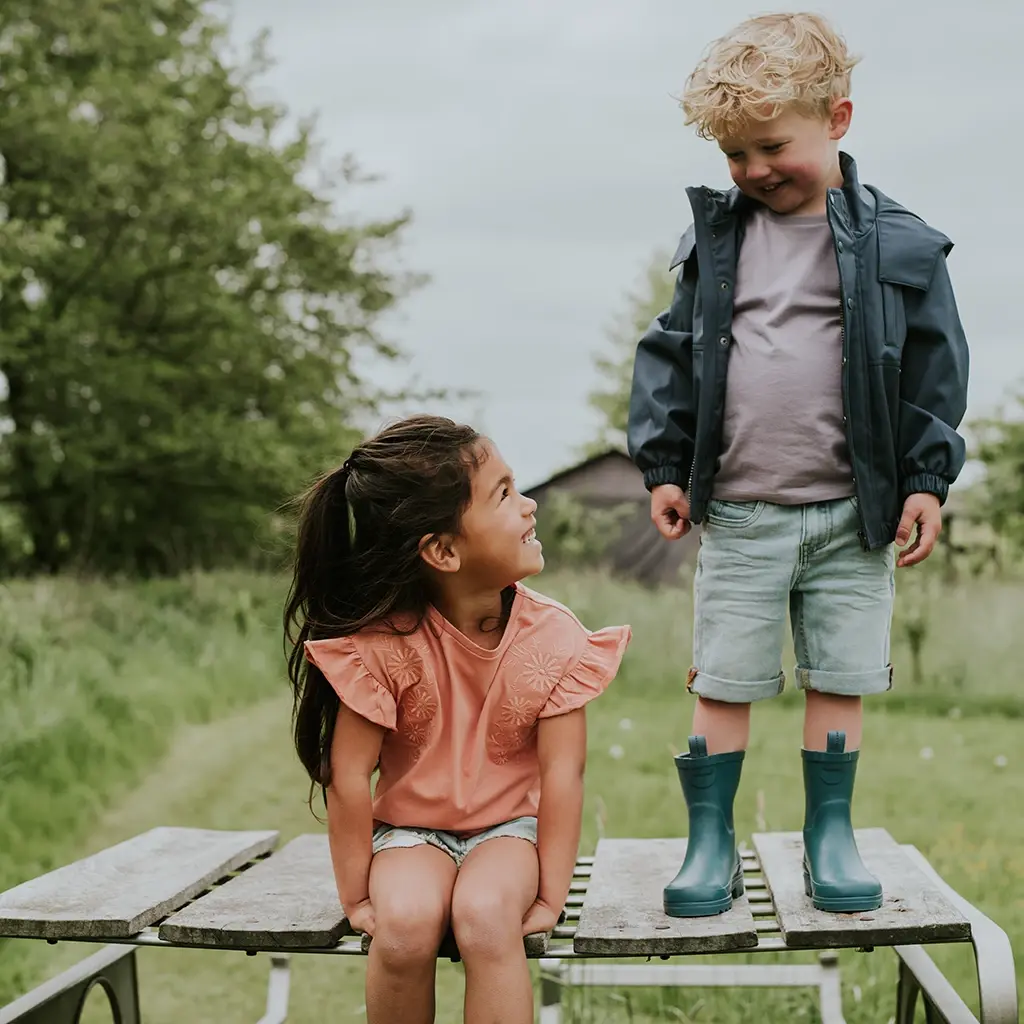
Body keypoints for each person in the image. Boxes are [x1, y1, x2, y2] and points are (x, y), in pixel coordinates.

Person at [627, 12, 968, 917]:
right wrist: (664, 463)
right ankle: (710, 843)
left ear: (839, 120)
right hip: (740, 511)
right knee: (725, 679)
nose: (754, 170)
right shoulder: (717, 241)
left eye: (772, 146)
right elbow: (670, 352)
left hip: (854, 517)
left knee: (842, 677)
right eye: (736, 155)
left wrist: (928, 480)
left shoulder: (900, 244)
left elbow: (936, 367)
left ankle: (831, 836)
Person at [284, 414, 631, 1023]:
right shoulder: (383, 644)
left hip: (508, 832)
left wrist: (552, 890)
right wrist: (356, 893)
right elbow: (348, 774)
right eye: (503, 495)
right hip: (410, 835)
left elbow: (564, 775)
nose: (528, 507)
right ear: (443, 550)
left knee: (486, 915)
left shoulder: (553, 638)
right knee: (403, 928)